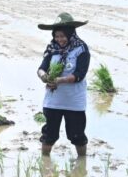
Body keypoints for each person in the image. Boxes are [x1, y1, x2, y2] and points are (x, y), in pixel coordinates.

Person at [36, 12, 91, 157]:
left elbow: (80, 75)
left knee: (77, 135)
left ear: (70, 34)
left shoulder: (81, 49)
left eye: (63, 36)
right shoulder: (51, 48)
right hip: (53, 101)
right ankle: (45, 162)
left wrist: (60, 80)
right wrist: (44, 77)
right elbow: (41, 68)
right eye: (57, 36)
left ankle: (82, 162)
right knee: (49, 135)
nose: (59, 39)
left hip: (74, 101)